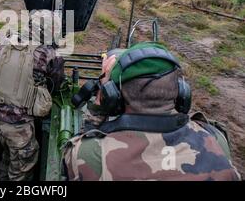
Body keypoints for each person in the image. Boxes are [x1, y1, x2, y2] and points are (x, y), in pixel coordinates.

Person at [63, 42, 241, 181]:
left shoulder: (92, 154)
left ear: (113, 97)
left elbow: (77, 146)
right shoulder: (216, 140)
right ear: (182, 93)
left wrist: (101, 95)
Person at [0, 10, 65, 181]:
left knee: (7, 159)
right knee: (21, 172)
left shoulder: (7, 40)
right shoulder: (48, 53)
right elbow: (56, 84)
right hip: (18, 129)